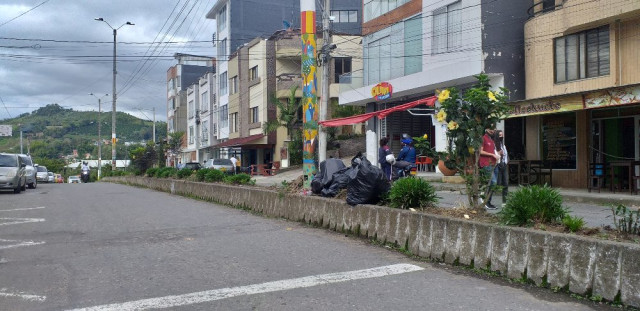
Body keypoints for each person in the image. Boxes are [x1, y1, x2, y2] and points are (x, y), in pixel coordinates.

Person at [479, 127, 500, 210]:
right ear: (486, 129)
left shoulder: (491, 139)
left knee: (492, 183)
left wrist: (497, 154)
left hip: (493, 163)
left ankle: (486, 199)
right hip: (486, 163)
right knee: (492, 182)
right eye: (491, 129)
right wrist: (492, 155)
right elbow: (480, 151)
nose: (493, 131)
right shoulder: (483, 138)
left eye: (494, 129)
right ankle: (486, 202)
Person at [494, 130, 509, 207]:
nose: (501, 137)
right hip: (497, 165)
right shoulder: (494, 145)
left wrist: (506, 162)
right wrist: (498, 153)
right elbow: (494, 154)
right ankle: (485, 195)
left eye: (502, 135)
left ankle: (504, 202)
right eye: (499, 135)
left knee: (505, 183)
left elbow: (506, 154)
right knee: (497, 183)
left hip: (504, 165)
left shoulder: (503, 145)